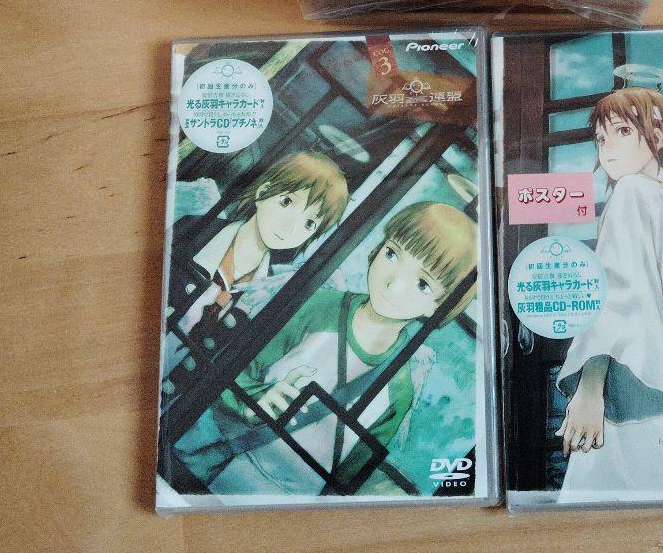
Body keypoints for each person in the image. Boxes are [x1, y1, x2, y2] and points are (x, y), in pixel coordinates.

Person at [173, 200, 478, 496]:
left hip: (286, 504)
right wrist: (256, 400)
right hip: (215, 467)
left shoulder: (399, 389)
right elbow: (233, 368)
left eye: (422, 284)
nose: (393, 283)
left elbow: (348, 477)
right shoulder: (320, 306)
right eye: (391, 254)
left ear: (438, 307)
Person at [555, 87, 663, 498]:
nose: (607, 148)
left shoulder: (632, 193)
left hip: (644, 382)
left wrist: (589, 388)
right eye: (601, 138)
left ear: (657, 136)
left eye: (622, 131)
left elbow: (614, 292)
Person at [163, 151, 349, 381]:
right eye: (287, 202)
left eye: (309, 223)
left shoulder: (264, 295)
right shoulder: (194, 229)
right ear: (262, 193)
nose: (290, 227)